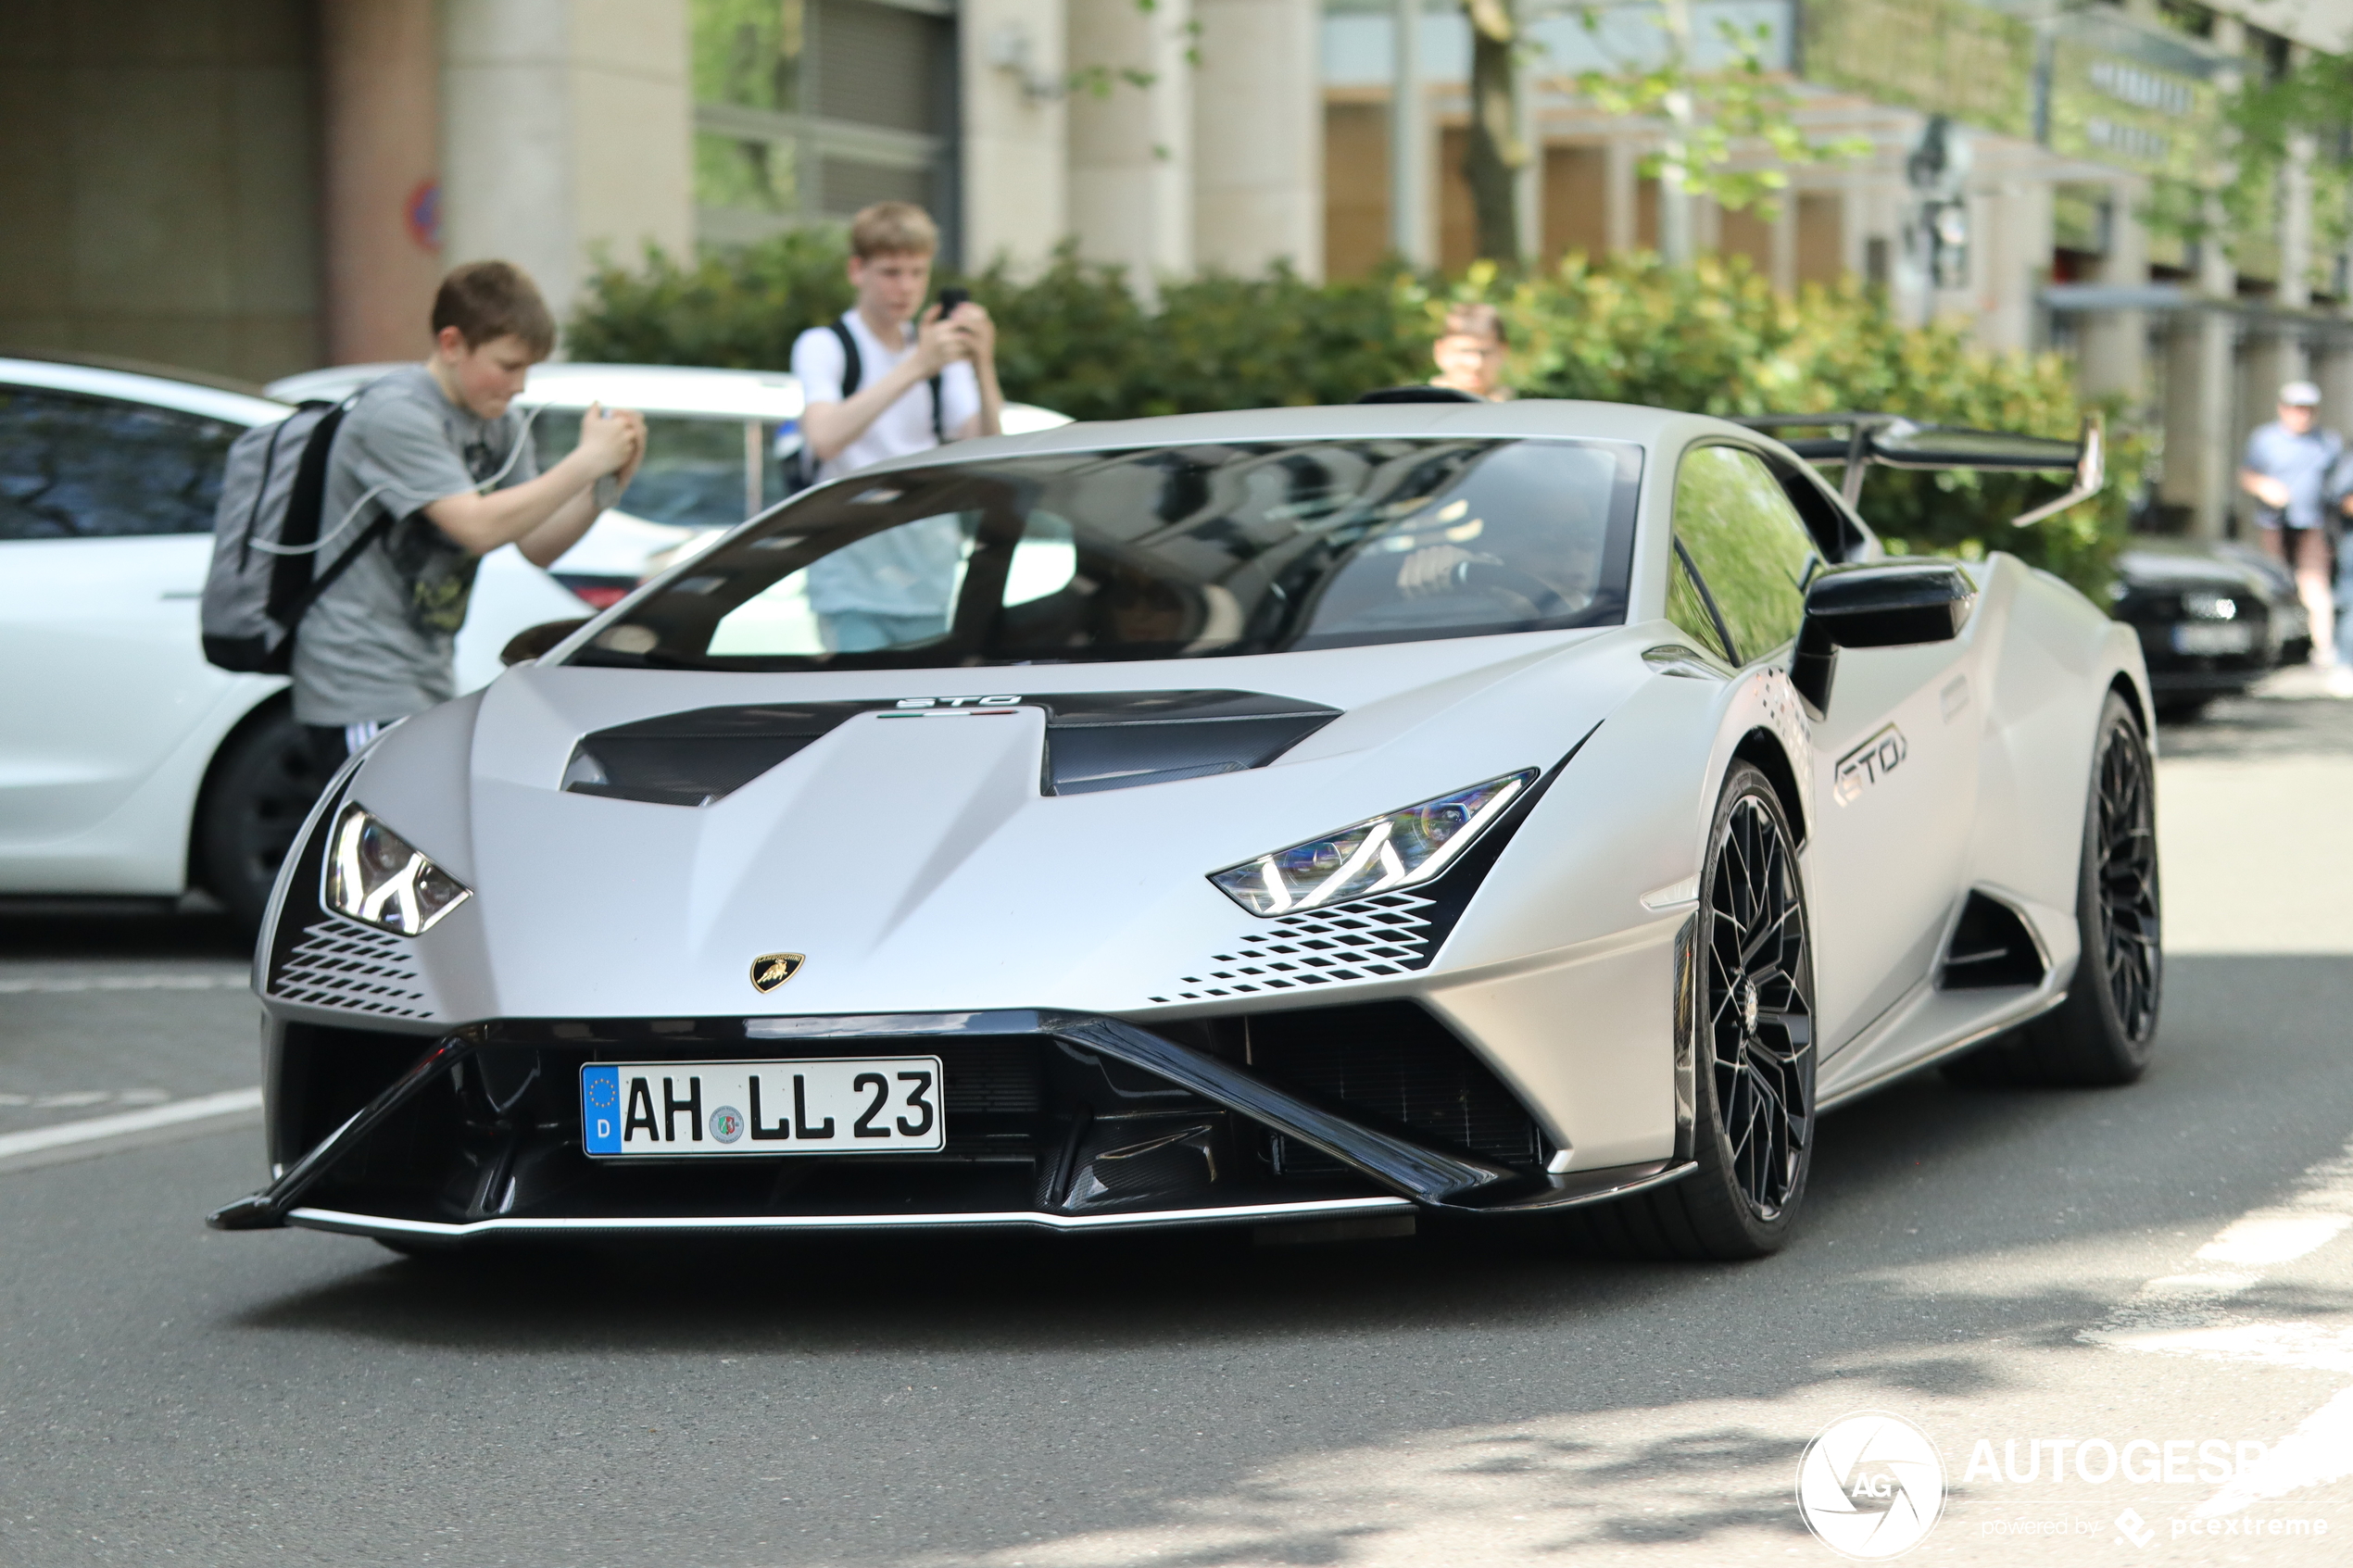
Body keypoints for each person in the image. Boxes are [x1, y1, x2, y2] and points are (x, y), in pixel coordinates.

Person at [294, 261, 645, 771]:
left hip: (423, 674)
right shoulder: (396, 413)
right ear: (453, 343)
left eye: (528, 369)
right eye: (507, 366)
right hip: (358, 681)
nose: (519, 385)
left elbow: (537, 544)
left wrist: (611, 478)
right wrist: (585, 460)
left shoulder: (496, 420)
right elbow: (476, 527)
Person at [790, 202, 1003, 652]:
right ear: (857, 270)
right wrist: (917, 365)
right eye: (890, 272)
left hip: (926, 575)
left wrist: (983, 363)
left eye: (916, 272)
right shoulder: (826, 345)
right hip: (850, 575)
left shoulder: (938, 354)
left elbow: (987, 447)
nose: (904, 288)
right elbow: (825, 437)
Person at [2240, 379, 2341, 672]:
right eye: (2297, 408)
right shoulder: (2264, 439)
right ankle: (2270, 648)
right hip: (2272, 523)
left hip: (2312, 523)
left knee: (2314, 585)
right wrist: (2265, 487)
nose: (2303, 415)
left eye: (2309, 409)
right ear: (2283, 409)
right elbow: (2247, 475)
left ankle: (2322, 649)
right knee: (2273, 582)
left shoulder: (2327, 443)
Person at [1428, 303, 1513, 401]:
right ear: (1440, 350)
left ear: (1503, 351)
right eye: (1464, 351)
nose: (1476, 363)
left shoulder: (1525, 405)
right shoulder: (1415, 405)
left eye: (1485, 352)